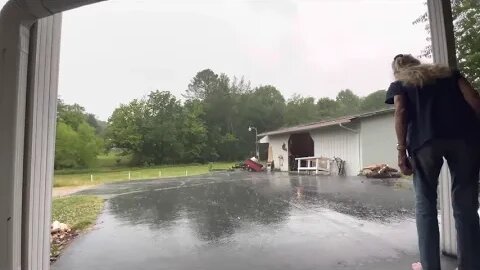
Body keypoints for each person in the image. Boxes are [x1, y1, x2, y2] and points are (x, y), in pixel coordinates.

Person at [385, 54, 480, 270]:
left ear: (396, 70)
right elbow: (474, 99)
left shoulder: (401, 83)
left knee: (425, 205)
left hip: (424, 142)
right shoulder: (449, 74)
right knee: (466, 206)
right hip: (465, 140)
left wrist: (401, 151)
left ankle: (429, 266)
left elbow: (400, 112)